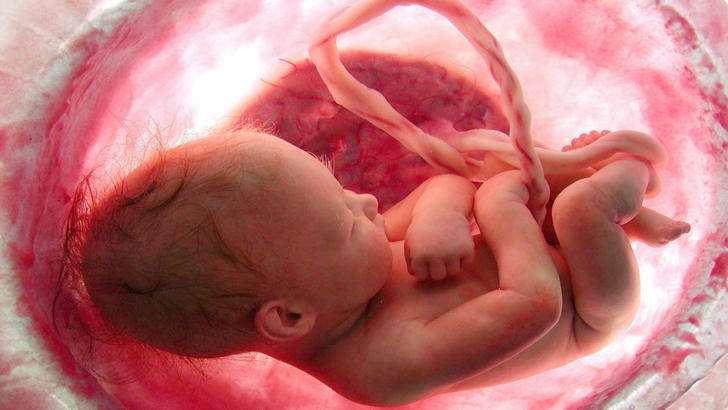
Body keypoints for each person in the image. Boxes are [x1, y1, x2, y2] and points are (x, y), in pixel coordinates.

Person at [77, 128, 689, 406]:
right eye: (346, 218)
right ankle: (634, 175)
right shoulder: (381, 373)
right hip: (588, 303)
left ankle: (624, 211)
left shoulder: (349, 270)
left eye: (341, 190)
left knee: (532, 182)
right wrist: (500, 211)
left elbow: (440, 191)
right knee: (578, 207)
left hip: (537, 247)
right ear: (289, 316)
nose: (367, 202)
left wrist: (441, 215)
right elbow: (535, 305)